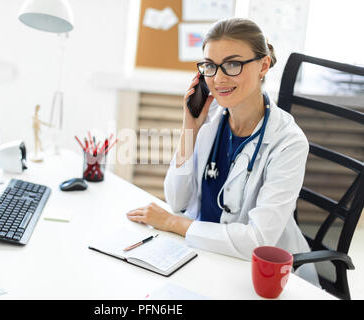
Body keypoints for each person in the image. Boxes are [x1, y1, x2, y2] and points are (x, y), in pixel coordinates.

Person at [126, 17, 318, 285]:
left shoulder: (288, 142)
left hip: (260, 275)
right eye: (210, 66)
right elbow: (177, 200)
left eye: (232, 64)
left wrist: (173, 224)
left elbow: (257, 241)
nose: (218, 78)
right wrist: (189, 128)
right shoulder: (209, 118)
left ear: (263, 65)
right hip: (204, 254)